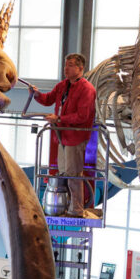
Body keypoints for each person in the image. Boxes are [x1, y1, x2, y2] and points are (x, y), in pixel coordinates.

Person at [29, 53, 96, 217]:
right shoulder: (63, 85)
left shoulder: (87, 89)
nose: (66, 68)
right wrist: (36, 95)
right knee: (64, 172)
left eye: (71, 65)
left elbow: (83, 116)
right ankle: (67, 206)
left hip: (76, 137)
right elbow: (48, 99)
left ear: (80, 68)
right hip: (61, 136)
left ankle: (77, 209)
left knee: (74, 174)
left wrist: (59, 118)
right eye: (66, 64)